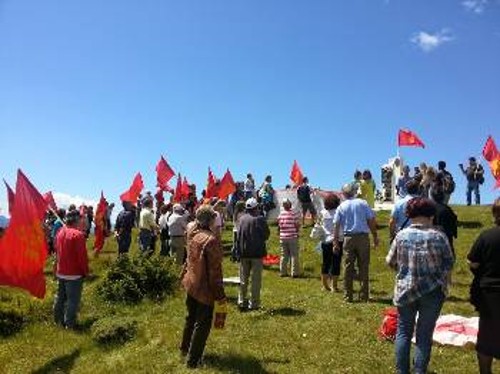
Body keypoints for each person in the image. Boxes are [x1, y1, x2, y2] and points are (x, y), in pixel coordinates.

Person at [386, 197, 454, 374]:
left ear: (409, 215)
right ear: (431, 215)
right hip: (432, 290)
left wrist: (402, 268)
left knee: (403, 332)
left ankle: (402, 371)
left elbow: (390, 261)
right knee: (424, 335)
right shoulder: (439, 236)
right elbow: (449, 263)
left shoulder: (401, 235)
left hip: (405, 290)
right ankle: (419, 370)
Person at [180, 205, 226, 369]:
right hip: (203, 288)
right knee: (203, 323)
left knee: (190, 318)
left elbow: (188, 261)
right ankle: (193, 361)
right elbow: (215, 272)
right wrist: (220, 295)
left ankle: (185, 350)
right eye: (214, 217)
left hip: (190, 283)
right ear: (211, 220)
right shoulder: (211, 240)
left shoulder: (192, 234)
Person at [467, 198, 500, 374]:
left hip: (489, 294)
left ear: (495, 214)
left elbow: (472, 262)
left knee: (486, 339)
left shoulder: (486, 236)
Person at [333, 183, 379, 302]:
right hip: (363, 237)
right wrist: (374, 235)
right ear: (354, 192)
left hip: (348, 238)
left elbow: (336, 225)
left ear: (343, 193)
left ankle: (348, 296)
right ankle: (364, 295)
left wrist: (335, 242)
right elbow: (371, 220)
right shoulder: (363, 203)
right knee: (364, 266)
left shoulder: (341, 206)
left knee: (348, 267)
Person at [53, 210, 89, 329]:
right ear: (76, 220)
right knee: (72, 301)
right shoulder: (78, 235)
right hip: (74, 274)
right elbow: (82, 257)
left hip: (61, 271)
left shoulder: (60, 233)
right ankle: (70, 324)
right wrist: (85, 272)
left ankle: (58, 321)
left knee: (60, 298)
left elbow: (57, 252)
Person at [236, 198, 270, 310]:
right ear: (256, 208)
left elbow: (238, 235)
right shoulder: (259, 219)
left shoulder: (241, 219)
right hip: (256, 253)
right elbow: (266, 235)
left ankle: (241, 300)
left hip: (243, 253)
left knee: (243, 279)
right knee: (255, 280)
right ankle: (254, 304)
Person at [319, 193, 343, 292]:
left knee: (325, 262)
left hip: (325, 240)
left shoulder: (322, 213)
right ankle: (334, 286)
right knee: (336, 263)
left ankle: (324, 285)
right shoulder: (339, 212)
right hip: (338, 240)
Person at [277, 198, 301, 278]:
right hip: (292, 236)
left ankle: (282, 272)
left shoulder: (281, 214)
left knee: (284, 255)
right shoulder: (293, 214)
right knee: (294, 255)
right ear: (290, 205)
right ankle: (294, 273)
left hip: (283, 237)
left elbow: (279, 225)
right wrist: (297, 232)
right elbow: (297, 225)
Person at [431, 187, 458, 255]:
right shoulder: (448, 209)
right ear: (443, 197)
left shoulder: (429, 209)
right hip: (446, 238)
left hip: (432, 238)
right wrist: (454, 234)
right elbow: (453, 223)